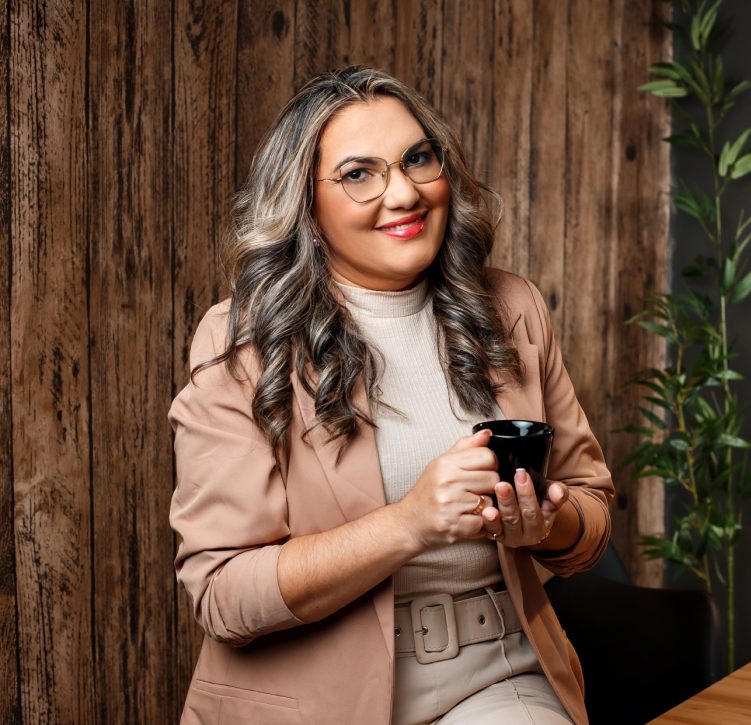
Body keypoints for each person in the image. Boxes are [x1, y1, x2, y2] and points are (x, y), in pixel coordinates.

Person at [169, 66, 613, 725]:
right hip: (311, 703)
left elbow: (591, 514)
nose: (404, 193)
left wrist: (547, 522)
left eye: (418, 159)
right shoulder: (242, 342)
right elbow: (222, 594)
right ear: (306, 206)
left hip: (494, 677)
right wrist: (408, 523)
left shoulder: (512, 309)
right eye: (359, 174)